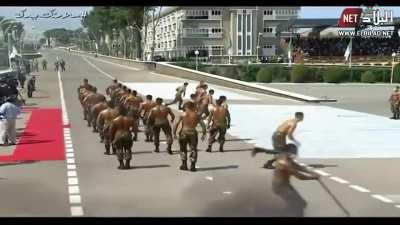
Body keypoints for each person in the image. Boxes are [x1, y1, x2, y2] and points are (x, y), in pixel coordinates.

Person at [273, 144, 320, 216]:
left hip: (285, 185)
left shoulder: (286, 158)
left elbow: (297, 166)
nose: (295, 154)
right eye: (294, 152)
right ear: (288, 151)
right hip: (280, 187)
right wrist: (313, 177)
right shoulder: (285, 163)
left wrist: (309, 171)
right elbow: (300, 176)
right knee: (298, 204)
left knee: (300, 204)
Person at [173, 101, 206, 172]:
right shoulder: (197, 115)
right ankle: (192, 166)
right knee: (193, 149)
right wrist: (204, 133)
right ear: (192, 107)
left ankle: (184, 165)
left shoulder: (182, 114)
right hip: (193, 132)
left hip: (183, 132)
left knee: (183, 149)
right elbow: (203, 124)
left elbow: (176, 123)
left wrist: (174, 133)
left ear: (186, 107)